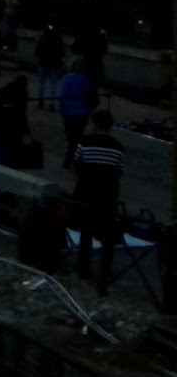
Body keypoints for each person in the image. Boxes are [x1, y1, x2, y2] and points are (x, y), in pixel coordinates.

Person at [72, 109, 124, 296]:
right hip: (107, 196)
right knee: (108, 236)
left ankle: (83, 267)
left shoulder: (84, 143)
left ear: (94, 123)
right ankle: (106, 270)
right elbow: (118, 171)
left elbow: (77, 164)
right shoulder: (118, 148)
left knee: (86, 232)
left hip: (87, 193)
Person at [58, 58, 99, 168]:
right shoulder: (88, 80)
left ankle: (70, 158)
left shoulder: (67, 78)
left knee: (71, 137)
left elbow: (62, 95)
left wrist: (61, 109)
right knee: (77, 135)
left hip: (68, 111)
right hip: (83, 111)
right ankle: (73, 158)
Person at [0, 74, 32, 168]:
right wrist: (26, 132)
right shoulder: (20, 95)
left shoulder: (1, 94)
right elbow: (22, 115)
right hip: (5, 133)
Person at [34, 23, 65, 111]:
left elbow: (37, 52)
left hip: (43, 63)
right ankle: (51, 103)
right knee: (53, 85)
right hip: (54, 64)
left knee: (41, 83)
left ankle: (41, 101)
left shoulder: (43, 38)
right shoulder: (58, 39)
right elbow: (62, 53)